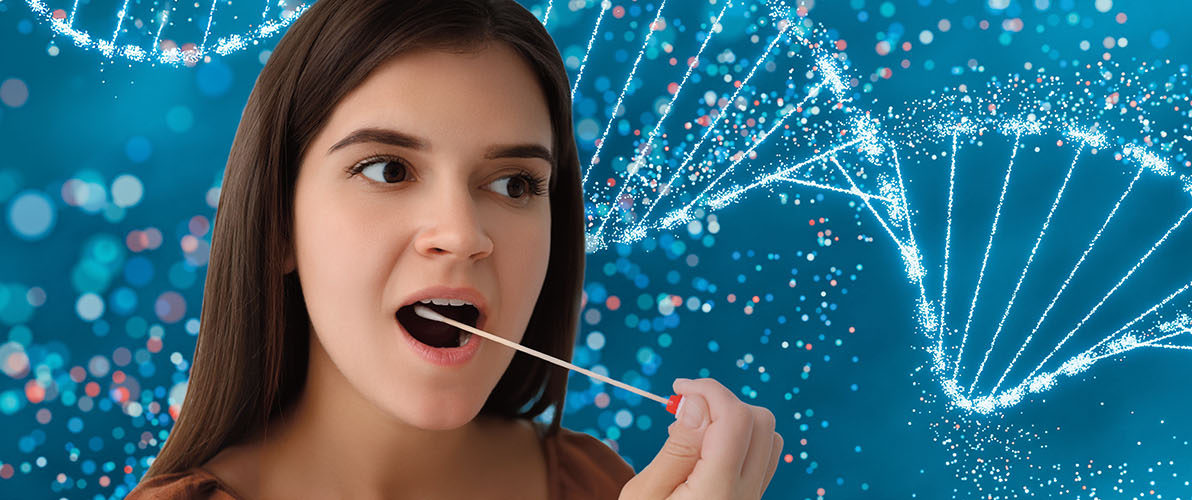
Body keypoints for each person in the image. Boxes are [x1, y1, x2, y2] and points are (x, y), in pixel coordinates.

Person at [128, 0, 782, 498]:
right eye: (388, 170)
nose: (464, 235)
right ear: (277, 226)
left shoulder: (592, 482)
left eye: (514, 183)